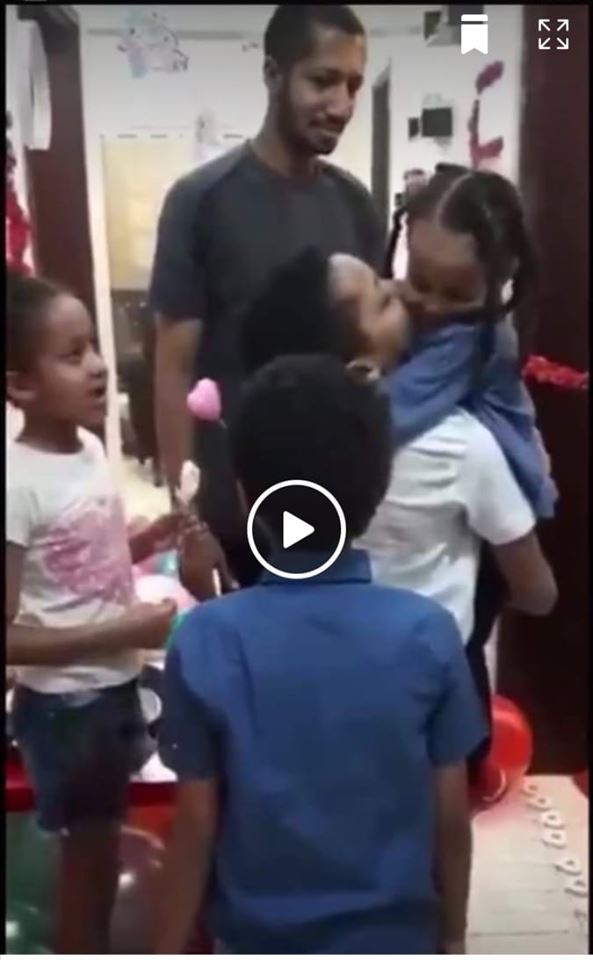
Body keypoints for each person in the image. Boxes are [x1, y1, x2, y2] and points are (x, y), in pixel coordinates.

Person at [240, 166, 557, 803]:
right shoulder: (449, 441)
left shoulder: (475, 354)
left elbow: (376, 420)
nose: (422, 303)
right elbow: (538, 592)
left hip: (388, 656)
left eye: (456, 292)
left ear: (497, 286)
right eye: (411, 282)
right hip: (416, 656)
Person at [155, 354, 486, 954]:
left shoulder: (205, 638)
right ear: (377, 490)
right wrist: (453, 939)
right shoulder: (429, 634)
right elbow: (450, 817)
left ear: (245, 493)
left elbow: (196, 825)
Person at [149, 3, 384, 587]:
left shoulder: (356, 206)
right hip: (234, 513)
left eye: (353, 86)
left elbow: (369, 353)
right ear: (274, 73)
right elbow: (173, 368)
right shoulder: (202, 201)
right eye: (323, 80)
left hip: (335, 509)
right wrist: (188, 524)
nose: (342, 105)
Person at [5, 269, 181, 953]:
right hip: (66, 711)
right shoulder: (17, 483)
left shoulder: (90, 449)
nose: (100, 367)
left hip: (112, 692)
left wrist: (146, 541)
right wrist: (125, 630)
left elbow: (77, 566)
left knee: (102, 859)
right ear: (21, 385)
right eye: (72, 354)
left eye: (94, 348)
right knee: (85, 874)